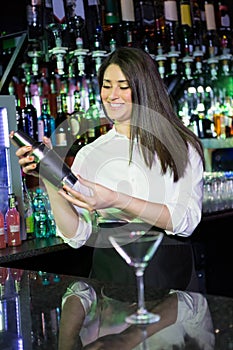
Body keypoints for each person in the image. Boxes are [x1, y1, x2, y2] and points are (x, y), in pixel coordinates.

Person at [13, 47, 205, 291]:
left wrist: (115, 199)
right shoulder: (91, 153)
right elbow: (76, 236)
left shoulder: (180, 146)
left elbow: (184, 222)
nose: (112, 95)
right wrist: (49, 177)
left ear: (144, 89)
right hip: (112, 282)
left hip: (170, 279)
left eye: (123, 86)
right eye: (106, 85)